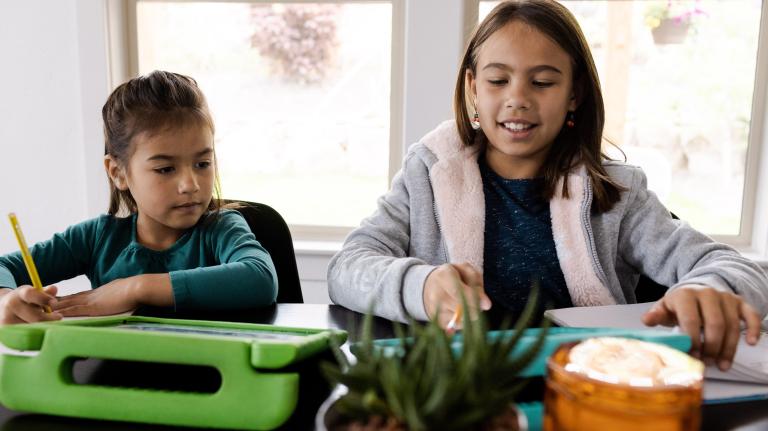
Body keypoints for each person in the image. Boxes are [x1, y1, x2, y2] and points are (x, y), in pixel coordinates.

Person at [327, 0, 768, 371]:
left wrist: (707, 291)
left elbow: (737, 267)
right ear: (473, 88)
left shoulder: (618, 193)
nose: (518, 97)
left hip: (587, 384)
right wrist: (420, 286)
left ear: (574, 94)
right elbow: (347, 268)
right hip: (459, 388)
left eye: (542, 82)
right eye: (498, 80)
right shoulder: (427, 174)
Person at [0, 70, 278, 324]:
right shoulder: (96, 238)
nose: (190, 185)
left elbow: (261, 279)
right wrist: (7, 300)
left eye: (202, 164)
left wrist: (134, 288)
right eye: (166, 169)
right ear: (118, 172)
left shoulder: (221, 229)